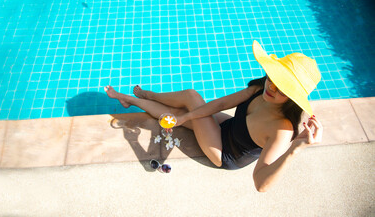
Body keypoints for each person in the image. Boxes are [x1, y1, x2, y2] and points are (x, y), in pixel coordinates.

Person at [104, 40, 323, 192]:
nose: (272, 87)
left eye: (282, 88)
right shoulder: (260, 90)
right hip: (229, 128)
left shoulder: (281, 131)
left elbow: (261, 184)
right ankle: (140, 97)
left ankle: (136, 98)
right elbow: (221, 103)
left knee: (191, 98)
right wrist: (184, 119)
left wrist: (296, 149)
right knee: (184, 112)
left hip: (224, 152)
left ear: (293, 98)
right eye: (274, 77)